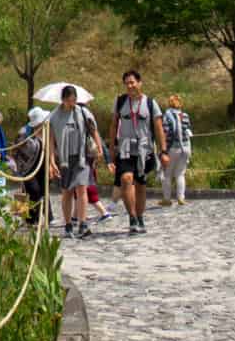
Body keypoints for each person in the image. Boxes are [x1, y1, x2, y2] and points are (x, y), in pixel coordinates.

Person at [112, 69, 168, 234]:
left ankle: (140, 217)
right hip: (125, 148)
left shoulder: (150, 103)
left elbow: (158, 129)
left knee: (141, 185)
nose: (130, 86)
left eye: (132, 82)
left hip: (144, 149)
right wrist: (111, 147)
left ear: (139, 83)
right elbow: (113, 124)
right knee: (126, 178)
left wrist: (163, 151)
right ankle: (132, 217)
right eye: (127, 83)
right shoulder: (120, 101)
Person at [47, 84, 106, 240]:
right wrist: (52, 162)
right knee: (66, 191)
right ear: (63, 100)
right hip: (64, 159)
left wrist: (99, 149)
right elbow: (51, 141)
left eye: (74, 100)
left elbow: (93, 130)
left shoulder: (83, 112)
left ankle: (83, 223)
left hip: (81, 157)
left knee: (81, 189)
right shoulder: (54, 117)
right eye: (69, 100)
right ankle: (67, 224)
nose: (72, 103)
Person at [15, 107, 52, 225]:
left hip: (41, 165)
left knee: (43, 189)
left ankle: (46, 217)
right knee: (31, 191)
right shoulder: (24, 134)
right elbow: (23, 151)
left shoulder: (45, 131)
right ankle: (27, 219)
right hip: (26, 167)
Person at [160, 93, 193, 206]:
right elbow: (188, 131)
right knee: (180, 174)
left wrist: (163, 149)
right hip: (185, 148)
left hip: (172, 148)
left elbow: (165, 132)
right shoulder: (185, 116)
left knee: (167, 174)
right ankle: (181, 198)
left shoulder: (167, 116)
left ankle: (167, 199)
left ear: (169, 103)